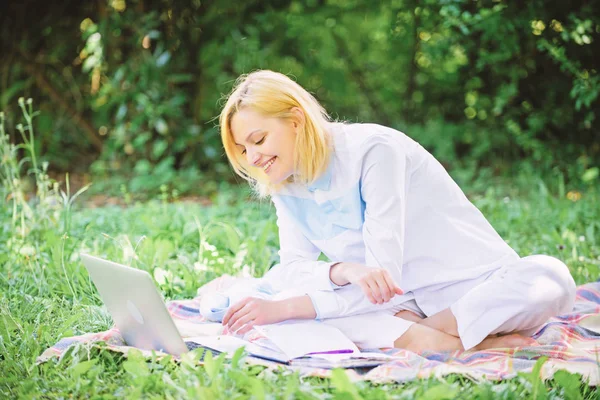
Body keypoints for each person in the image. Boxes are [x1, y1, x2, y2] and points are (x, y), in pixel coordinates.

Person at [215, 69, 576, 352]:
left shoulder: (374, 150)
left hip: (470, 290)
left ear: (295, 121)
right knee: (300, 309)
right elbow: (293, 268)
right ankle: (463, 342)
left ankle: (435, 339)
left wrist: (293, 307)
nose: (253, 158)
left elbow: (383, 274)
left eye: (258, 140)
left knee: (551, 278)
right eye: (243, 150)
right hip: (395, 305)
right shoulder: (284, 182)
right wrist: (342, 271)